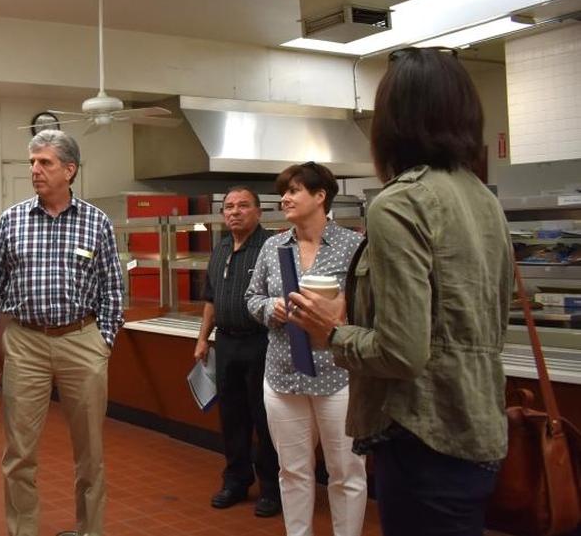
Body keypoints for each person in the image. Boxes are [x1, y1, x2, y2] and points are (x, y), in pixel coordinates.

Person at [289, 47, 512, 536]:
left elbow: (402, 351)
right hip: (478, 426)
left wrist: (334, 332)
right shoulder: (482, 199)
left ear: (393, 122)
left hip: (422, 436)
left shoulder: (398, 204)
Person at [0, 129, 124, 536]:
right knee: (19, 452)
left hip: (82, 339)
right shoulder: (12, 220)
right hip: (25, 342)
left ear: (69, 170)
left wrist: (103, 341)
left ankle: (89, 529)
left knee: (90, 452)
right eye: (32, 162)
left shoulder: (97, 222)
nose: (35, 170)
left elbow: (113, 288)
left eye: (45, 163)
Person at [244, 162, 366, 536]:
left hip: (338, 375)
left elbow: (367, 305)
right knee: (292, 471)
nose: (285, 198)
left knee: (346, 472)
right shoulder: (273, 246)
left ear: (319, 196)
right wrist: (271, 308)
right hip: (283, 375)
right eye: (284, 191)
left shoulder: (353, 245)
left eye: (294, 190)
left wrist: (342, 312)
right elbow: (253, 297)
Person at [193, 186, 281, 518]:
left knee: (265, 418)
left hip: (262, 343)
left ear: (258, 212)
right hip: (226, 344)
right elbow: (211, 300)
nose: (234, 212)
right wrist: (203, 339)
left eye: (243, 206)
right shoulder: (222, 248)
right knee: (232, 418)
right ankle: (236, 480)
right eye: (229, 206)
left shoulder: (271, 247)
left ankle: (271, 489)